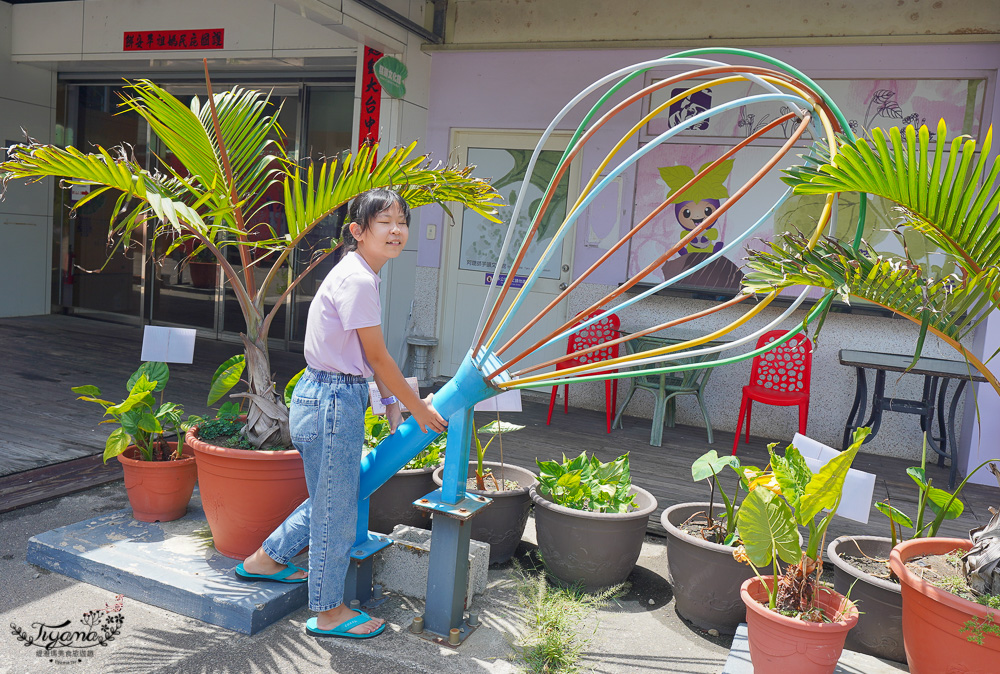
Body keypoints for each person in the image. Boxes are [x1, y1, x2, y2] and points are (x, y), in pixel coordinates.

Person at [234, 188, 447, 639]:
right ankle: (329, 612)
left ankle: (267, 559)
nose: (396, 231)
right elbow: (378, 355)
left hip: (329, 394)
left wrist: (391, 404)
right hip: (333, 400)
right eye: (384, 222)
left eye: (401, 222)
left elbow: (365, 355)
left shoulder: (360, 273)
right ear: (356, 230)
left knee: (331, 500)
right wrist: (418, 409)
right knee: (336, 510)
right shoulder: (359, 279)